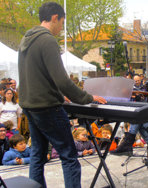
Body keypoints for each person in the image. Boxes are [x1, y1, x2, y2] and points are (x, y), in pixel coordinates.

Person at [18, 2, 106, 187]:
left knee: (38, 155)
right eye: (62, 23)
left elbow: (39, 75)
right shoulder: (47, 40)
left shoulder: (27, 39)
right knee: (69, 155)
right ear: (55, 17)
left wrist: (59, 93)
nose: (61, 29)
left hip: (29, 104)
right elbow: (62, 79)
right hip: (47, 107)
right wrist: (87, 98)